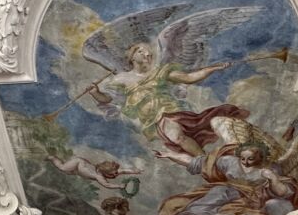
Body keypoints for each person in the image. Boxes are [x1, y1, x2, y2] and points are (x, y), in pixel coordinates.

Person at [89, 42, 249, 155]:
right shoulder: (121, 79)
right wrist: (95, 93)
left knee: (177, 137)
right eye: (141, 52)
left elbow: (189, 78)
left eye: (148, 52)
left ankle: (205, 162)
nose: (147, 54)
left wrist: (212, 69)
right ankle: (207, 159)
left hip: (168, 111)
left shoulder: (160, 72)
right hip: (151, 119)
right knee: (180, 138)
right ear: (132, 56)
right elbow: (107, 99)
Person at [152, 141, 298, 215]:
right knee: (217, 192)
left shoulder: (270, 168)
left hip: (250, 198)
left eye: (250, 159)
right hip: (227, 189)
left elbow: (283, 192)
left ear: (260, 157)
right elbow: (197, 163)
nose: (245, 162)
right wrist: (170, 155)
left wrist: (273, 178)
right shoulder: (229, 161)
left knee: (225, 204)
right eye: (242, 158)